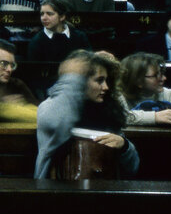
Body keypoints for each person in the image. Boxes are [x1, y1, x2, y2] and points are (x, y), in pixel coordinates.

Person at [35, 50, 139, 180]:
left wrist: (124, 146)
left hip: (104, 187)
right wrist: (74, 76)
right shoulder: (51, 106)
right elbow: (57, 122)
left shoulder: (108, 109)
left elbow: (133, 168)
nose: (106, 87)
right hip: (57, 189)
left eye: (107, 81)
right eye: (99, 80)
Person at [118, 53, 171, 127]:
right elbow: (121, 116)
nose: (163, 78)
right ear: (138, 81)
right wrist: (155, 117)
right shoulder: (118, 95)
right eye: (156, 75)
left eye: (161, 73)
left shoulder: (167, 93)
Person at [26, 0, 91, 62]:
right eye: (42, 14)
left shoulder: (80, 37)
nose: (44, 18)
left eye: (49, 14)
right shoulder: (37, 41)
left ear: (62, 17)